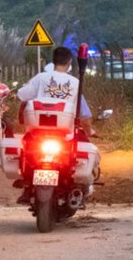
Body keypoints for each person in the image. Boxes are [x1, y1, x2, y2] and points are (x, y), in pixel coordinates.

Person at [16, 47, 93, 203]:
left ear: (53, 60)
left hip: (37, 133)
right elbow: (84, 114)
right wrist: (89, 130)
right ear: (70, 63)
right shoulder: (75, 82)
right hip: (66, 134)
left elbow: (22, 95)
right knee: (81, 154)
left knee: (25, 150)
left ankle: (26, 187)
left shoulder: (41, 78)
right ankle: (79, 187)